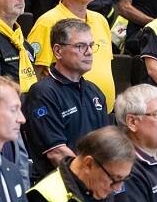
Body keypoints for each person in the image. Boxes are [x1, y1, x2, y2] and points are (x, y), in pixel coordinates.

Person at [23, 18, 110, 179]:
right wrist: (90, 181)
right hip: (62, 188)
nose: (89, 52)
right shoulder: (43, 93)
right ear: (58, 51)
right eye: (80, 46)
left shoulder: (95, 92)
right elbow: (56, 152)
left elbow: (106, 144)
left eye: (91, 45)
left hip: (95, 185)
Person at [28, 0, 115, 109]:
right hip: (67, 113)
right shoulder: (47, 22)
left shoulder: (100, 20)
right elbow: (35, 74)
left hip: (103, 113)